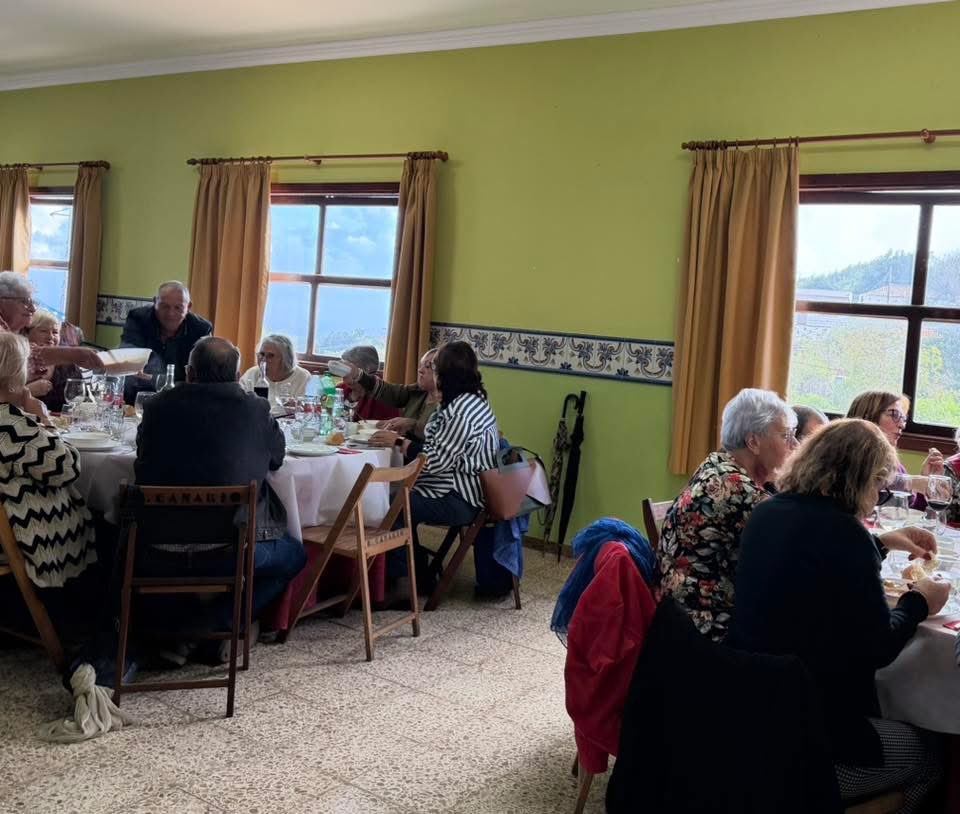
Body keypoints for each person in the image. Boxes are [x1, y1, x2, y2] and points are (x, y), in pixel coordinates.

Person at [727, 418, 946, 813]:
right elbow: (879, 648)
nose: (878, 493)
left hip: (746, 717)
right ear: (860, 478)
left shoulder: (768, 512)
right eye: (878, 482)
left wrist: (879, 543)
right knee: (935, 756)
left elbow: (811, 566)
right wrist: (920, 602)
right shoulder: (846, 534)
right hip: (811, 744)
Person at [135, 336, 306, 638]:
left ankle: (167, 628)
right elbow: (277, 459)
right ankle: (212, 624)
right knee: (295, 555)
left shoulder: (157, 406)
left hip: (154, 548)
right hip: (230, 551)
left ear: (189, 373)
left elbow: (141, 461)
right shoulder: (256, 410)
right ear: (237, 376)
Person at [658, 388, 798, 641]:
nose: (794, 445)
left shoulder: (717, 463)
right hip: (706, 629)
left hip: (680, 615)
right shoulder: (737, 488)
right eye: (786, 435)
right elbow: (796, 552)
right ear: (753, 442)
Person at [394, 341, 499, 594]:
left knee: (392, 506)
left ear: (445, 374)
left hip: (459, 498)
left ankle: (409, 580)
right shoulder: (468, 399)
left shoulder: (460, 411)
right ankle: (417, 570)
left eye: (434, 368)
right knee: (393, 495)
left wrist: (399, 442)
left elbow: (434, 462)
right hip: (458, 489)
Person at [0, 333, 97, 595]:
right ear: (12, 378)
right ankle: (84, 620)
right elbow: (67, 469)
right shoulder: (10, 425)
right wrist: (43, 419)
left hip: (13, 524)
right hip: (28, 534)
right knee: (106, 520)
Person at [120, 281, 212, 404]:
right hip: (137, 398)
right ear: (154, 302)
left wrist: (157, 379)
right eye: (165, 306)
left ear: (188, 307)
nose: (171, 313)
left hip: (180, 401)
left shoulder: (201, 329)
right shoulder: (138, 318)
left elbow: (203, 375)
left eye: (178, 307)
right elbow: (129, 356)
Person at [847, 391, 942, 509]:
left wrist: (925, 487)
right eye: (895, 415)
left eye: (903, 418)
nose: (902, 425)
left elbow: (908, 515)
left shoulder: (896, 466)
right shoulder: (846, 458)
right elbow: (863, 483)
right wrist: (911, 482)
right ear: (868, 417)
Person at [0, 271, 103, 376]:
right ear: (2, 302)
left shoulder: (19, 332)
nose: (32, 308)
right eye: (24, 302)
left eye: (33, 302)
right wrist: (73, 354)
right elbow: (11, 356)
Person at [341, 348, 440, 444]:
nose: (420, 370)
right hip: (402, 452)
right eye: (420, 365)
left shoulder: (450, 405)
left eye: (427, 366)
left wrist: (413, 425)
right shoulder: (417, 391)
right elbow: (389, 392)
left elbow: (439, 438)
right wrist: (359, 375)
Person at [25, 310, 81, 412]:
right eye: (43, 331)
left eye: (55, 332)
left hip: (62, 424)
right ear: (27, 333)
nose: (51, 337)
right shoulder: (16, 360)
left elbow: (80, 399)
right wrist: (29, 391)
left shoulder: (68, 364)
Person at [239, 334, 310, 402]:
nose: (263, 360)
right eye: (262, 354)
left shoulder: (303, 378)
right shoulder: (252, 373)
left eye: (270, 356)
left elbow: (306, 409)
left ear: (285, 359)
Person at [338, 345, 400, 422]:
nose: (345, 376)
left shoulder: (384, 397)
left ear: (367, 370)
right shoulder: (339, 390)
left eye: (350, 370)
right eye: (343, 369)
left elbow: (391, 428)